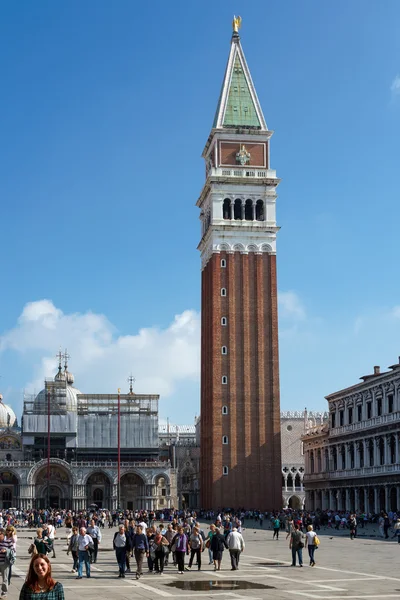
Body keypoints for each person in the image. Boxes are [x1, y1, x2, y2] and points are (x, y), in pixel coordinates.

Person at [0, 528, 14, 597]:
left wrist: (6, 550)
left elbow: (12, 551)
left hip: (4, 563)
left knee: (5, 578)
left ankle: (4, 591)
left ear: (3, 534)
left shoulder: (8, 542)